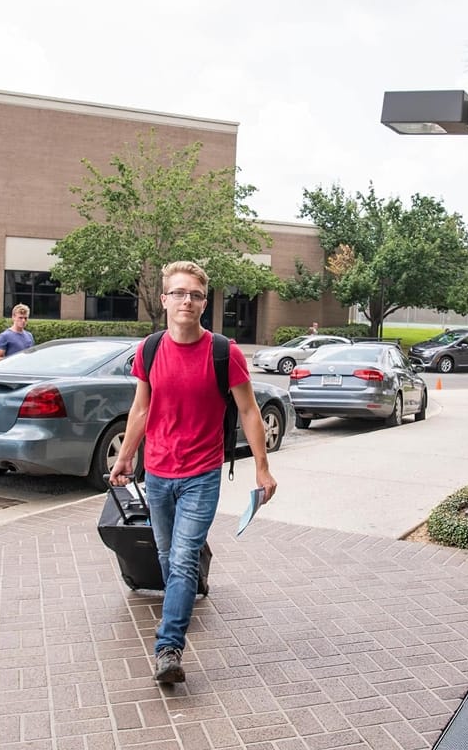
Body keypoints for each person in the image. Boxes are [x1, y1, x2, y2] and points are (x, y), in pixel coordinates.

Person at [111, 261, 278, 685]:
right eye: (179, 293)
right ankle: (186, 593)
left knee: (181, 559)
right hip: (158, 474)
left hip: (202, 474)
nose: (187, 301)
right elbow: (141, 408)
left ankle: (169, 647)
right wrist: (126, 456)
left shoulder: (224, 352)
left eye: (196, 295)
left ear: (204, 302)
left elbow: (249, 410)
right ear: (165, 299)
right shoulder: (149, 350)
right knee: (168, 557)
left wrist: (262, 468)